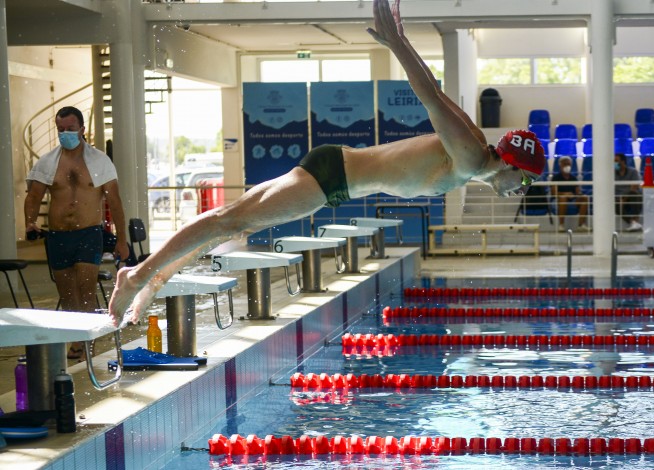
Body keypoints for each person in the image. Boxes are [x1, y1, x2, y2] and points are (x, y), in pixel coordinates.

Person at [108, 0, 546, 327]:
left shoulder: (471, 141)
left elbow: (439, 91)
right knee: (227, 221)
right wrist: (398, 43)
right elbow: (429, 95)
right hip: (331, 178)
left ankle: (153, 279)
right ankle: (137, 275)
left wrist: (404, 43)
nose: (518, 192)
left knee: (234, 222)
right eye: (523, 182)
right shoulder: (469, 157)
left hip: (333, 171)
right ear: (510, 164)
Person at [25, 106, 130, 358]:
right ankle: (77, 336)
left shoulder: (99, 161)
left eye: (70, 129)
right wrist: (30, 222)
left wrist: (122, 240)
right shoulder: (48, 162)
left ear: (82, 129)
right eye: (60, 130)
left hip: (88, 234)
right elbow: (34, 196)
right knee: (67, 292)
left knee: (86, 287)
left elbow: (114, 201)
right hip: (58, 236)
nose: (65, 134)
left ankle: (86, 338)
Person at [551, 156, 589, 232]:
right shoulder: (556, 178)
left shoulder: (573, 178)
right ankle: (561, 225)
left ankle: (581, 225)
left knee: (585, 198)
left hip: (572, 199)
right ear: (560, 165)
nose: (567, 166)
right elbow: (553, 193)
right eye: (565, 164)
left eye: (568, 164)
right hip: (559, 200)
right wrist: (565, 194)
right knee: (563, 198)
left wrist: (578, 195)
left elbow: (578, 192)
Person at [614, 153, 643, 232]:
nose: (614, 163)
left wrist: (624, 199)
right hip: (618, 198)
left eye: (616, 161)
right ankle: (633, 222)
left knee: (635, 194)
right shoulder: (612, 174)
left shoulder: (633, 171)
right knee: (613, 203)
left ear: (623, 162)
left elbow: (634, 187)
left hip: (630, 197)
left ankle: (635, 220)